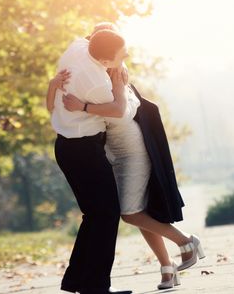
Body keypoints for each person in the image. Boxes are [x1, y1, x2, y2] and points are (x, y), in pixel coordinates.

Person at [53, 26, 206, 290]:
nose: (124, 59)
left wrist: (84, 105)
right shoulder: (99, 74)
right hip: (112, 152)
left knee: (129, 212)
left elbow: (120, 112)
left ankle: (186, 241)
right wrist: (54, 84)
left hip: (131, 151)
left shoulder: (113, 79)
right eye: (120, 54)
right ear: (102, 54)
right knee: (135, 210)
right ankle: (167, 267)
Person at [47, 29, 132, 294]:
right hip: (83, 150)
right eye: (122, 55)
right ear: (106, 62)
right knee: (107, 214)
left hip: (67, 146)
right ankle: (95, 286)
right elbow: (119, 112)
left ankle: (78, 282)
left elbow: (92, 38)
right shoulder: (97, 82)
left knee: (95, 215)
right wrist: (120, 84)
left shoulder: (77, 47)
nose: (126, 57)